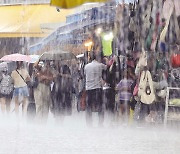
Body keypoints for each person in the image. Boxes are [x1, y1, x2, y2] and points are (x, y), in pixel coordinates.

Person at [84, 51, 107, 127]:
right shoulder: (100, 65)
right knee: (100, 106)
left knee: (88, 107)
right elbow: (107, 67)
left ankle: (89, 123)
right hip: (97, 88)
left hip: (88, 88)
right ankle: (100, 123)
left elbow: (84, 75)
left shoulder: (86, 66)